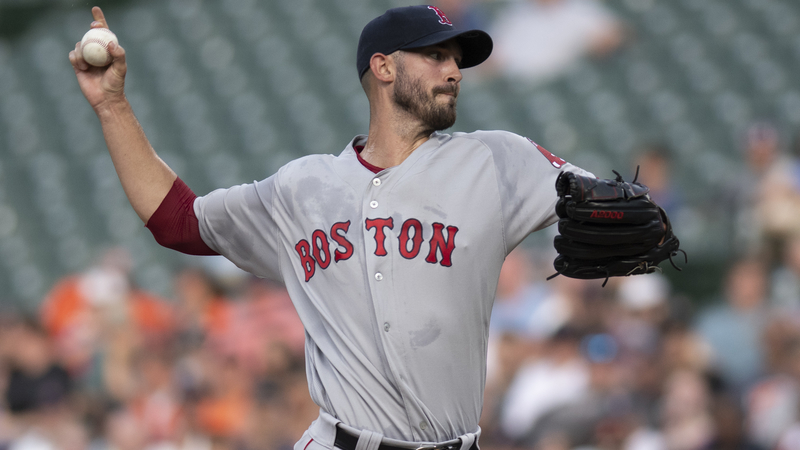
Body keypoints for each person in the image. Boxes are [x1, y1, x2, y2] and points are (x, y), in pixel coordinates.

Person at [69, 5, 602, 450]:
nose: (454, 71)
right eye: (436, 54)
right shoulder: (302, 188)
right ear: (385, 68)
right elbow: (178, 223)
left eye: (457, 60)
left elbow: (618, 208)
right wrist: (113, 106)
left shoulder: (496, 160)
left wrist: (633, 225)